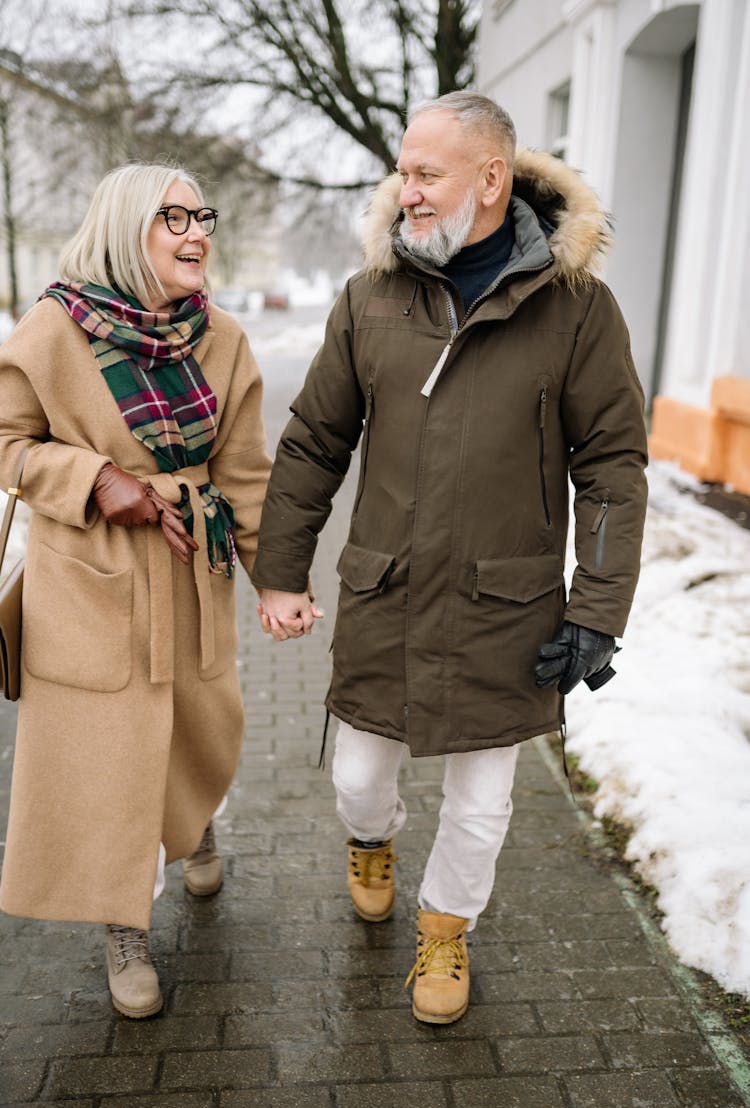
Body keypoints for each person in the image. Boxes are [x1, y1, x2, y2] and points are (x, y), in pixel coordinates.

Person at [253, 91, 648, 1025]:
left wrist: (597, 607)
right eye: (403, 171)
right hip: (386, 590)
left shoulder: (578, 308)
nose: (407, 192)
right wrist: (280, 567)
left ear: (491, 177)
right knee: (357, 778)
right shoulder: (371, 297)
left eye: (425, 173)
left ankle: (445, 928)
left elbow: (613, 465)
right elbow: (313, 440)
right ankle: (372, 839)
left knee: (479, 804)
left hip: (503, 607)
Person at [0, 162, 271, 1018]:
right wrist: (92, 479)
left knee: (200, 721)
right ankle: (124, 923)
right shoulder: (51, 330)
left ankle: (192, 819)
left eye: (203, 217)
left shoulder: (221, 337)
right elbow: (6, 442)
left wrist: (280, 580)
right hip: (88, 579)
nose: (198, 233)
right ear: (126, 229)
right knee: (107, 756)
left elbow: (245, 471)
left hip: (192, 565)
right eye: (174, 218)